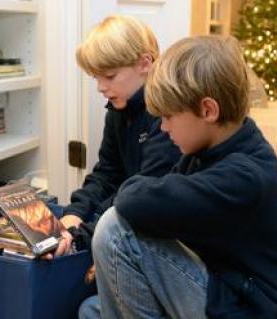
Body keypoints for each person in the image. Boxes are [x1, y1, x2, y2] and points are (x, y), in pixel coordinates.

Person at [81, 36, 277, 318]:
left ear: (208, 110)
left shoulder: (245, 175)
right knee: (90, 310)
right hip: (220, 284)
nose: (162, 128)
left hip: (249, 308)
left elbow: (133, 201)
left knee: (115, 229)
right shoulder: (210, 149)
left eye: (168, 117)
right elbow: (150, 196)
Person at [53, 15, 181, 257]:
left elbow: (143, 193)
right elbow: (107, 173)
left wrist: (81, 236)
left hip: (161, 235)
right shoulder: (118, 109)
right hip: (126, 216)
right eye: (96, 77)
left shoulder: (168, 116)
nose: (101, 87)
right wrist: (74, 214)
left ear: (145, 63)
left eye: (109, 76)